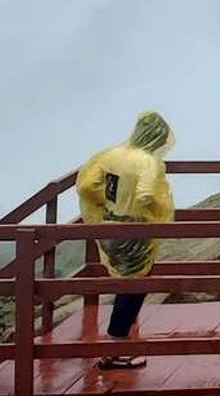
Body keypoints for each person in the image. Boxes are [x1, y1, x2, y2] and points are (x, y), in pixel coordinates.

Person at [74, 111, 177, 371]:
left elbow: (86, 186)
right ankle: (115, 347)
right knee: (133, 289)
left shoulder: (111, 155)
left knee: (126, 286)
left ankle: (118, 342)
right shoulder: (147, 162)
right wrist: (159, 209)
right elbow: (145, 195)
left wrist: (107, 201)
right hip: (135, 232)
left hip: (109, 226)